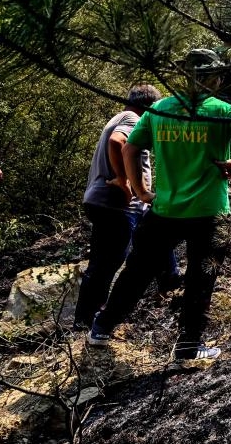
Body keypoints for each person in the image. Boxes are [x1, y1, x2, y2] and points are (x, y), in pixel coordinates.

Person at [87, 48, 231, 360]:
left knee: (137, 271)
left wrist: (142, 192)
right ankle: (188, 346)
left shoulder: (160, 109)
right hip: (210, 211)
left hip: (165, 210)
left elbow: (129, 148)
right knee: (202, 277)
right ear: (214, 77)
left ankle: (102, 328)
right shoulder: (220, 110)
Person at [73, 84, 180, 328]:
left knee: (155, 233)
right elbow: (117, 141)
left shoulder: (119, 116)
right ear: (151, 107)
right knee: (107, 262)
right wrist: (124, 182)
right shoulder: (132, 119)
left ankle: (171, 278)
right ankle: (86, 321)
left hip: (104, 201)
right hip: (116, 204)